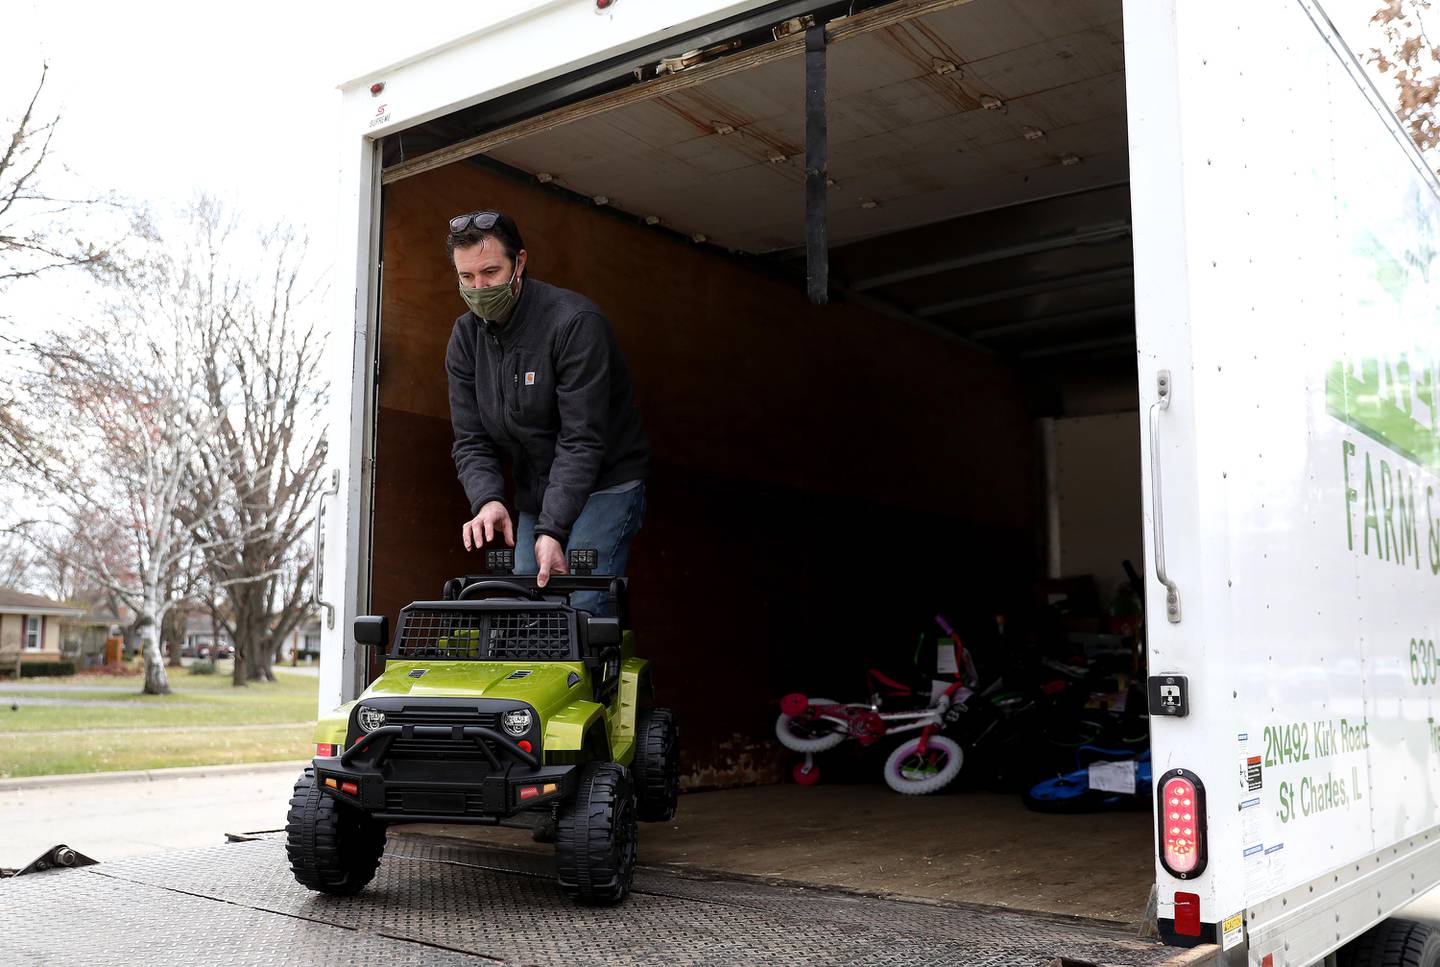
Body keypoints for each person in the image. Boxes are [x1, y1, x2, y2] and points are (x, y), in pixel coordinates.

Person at [444, 210, 650, 615]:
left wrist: (552, 530)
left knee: (583, 603)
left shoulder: (575, 324)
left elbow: (582, 439)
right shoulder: (465, 338)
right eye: (467, 278)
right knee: (529, 606)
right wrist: (487, 500)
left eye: (490, 272)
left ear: (519, 262)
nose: (479, 287)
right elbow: (471, 439)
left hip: (606, 482)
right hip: (536, 489)